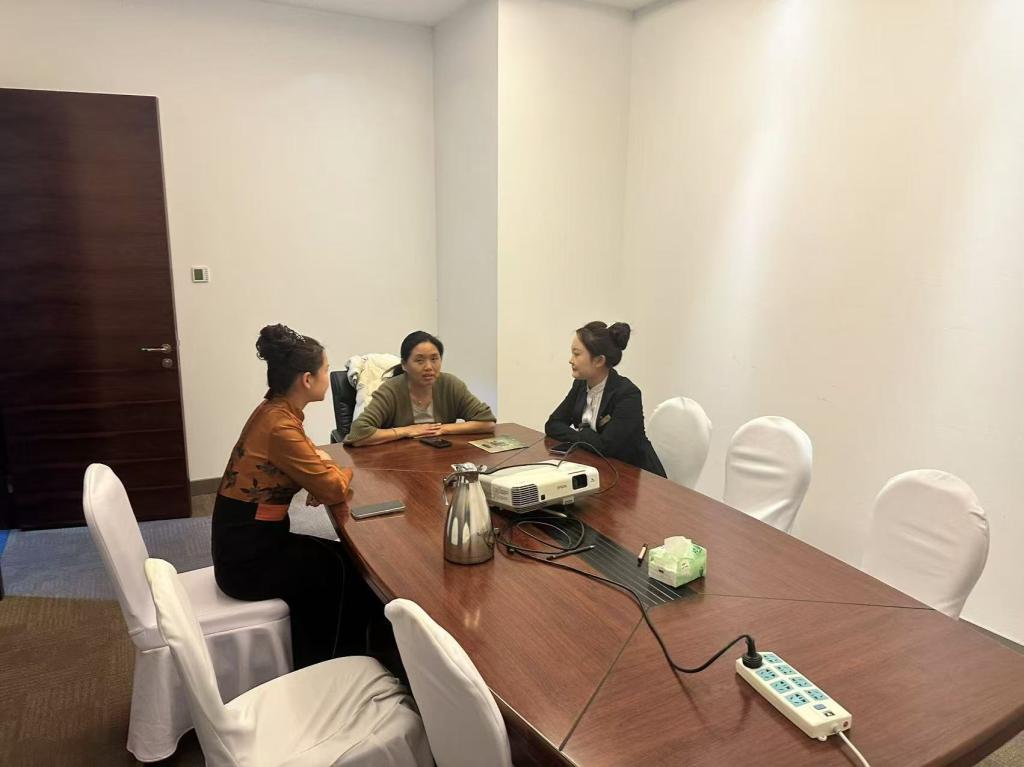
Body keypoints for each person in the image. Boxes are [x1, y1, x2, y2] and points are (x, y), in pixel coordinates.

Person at [212, 324, 378, 669]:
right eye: (325, 369)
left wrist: (316, 476)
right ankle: (329, 665)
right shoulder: (280, 425)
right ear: (307, 379)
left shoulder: (275, 410)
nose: (328, 376)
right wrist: (335, 476)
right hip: (246, 560)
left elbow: (312, 457)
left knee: (345, 560)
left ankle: (344, 655)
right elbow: (333, 488)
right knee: (343, 570)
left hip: (248, 540)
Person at [545, 321, 667, 477]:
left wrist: (581, 435)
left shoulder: (628, 394)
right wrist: (585, 437)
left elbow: (606, 447)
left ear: (599, 361)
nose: (571, 360)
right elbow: (553, 424)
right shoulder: (580, 385)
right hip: (601, 469)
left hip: (638, 476)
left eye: (577, 354)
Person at [344, 331, 496, 446]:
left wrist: (442, 429)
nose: (429, 367)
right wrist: (407, 431)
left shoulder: (450, 384)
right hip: (398, 462)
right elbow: (358, 433)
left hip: (441, 459)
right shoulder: (391, 390)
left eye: (434, 359)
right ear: (404, 365)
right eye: (419, 360)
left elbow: (487, 422)